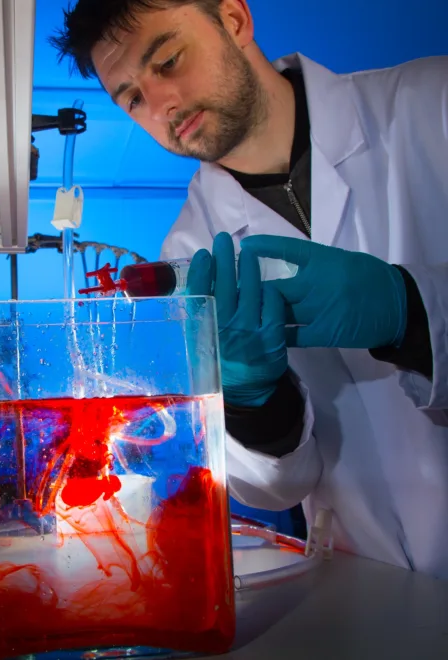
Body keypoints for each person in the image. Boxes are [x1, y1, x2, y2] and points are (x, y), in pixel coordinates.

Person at [51, 0, 448, 578]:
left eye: (167, 59)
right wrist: (251, 401)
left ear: (234, 20)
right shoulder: (187, 251)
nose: (161, 104)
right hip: (372, 583)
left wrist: (411, 313)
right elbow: (274, 488)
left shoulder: (431, 104)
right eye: (132, 98)